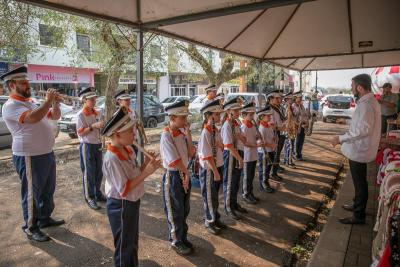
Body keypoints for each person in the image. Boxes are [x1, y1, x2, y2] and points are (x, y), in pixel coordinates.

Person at [1, 65, 65, 242]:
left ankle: (44, 218)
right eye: (23, 83)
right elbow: (34, 118)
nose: (28, 85)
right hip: (28, 155)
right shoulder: (10, 105)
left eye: (27, 82)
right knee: (32, 193)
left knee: (47, 190)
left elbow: (55, 116)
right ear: (12, 85)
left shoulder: (31, 102)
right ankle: (30, 226)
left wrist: (55, 103)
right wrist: (47, 101)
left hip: (46, 152)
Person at [102, 107, 161, 267]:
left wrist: (146, 165)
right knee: (124, 246)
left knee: (132, 241)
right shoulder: (112, 158)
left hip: (131, 202)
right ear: (117, 134)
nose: (134, 134)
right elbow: (124, 189)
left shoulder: (128, 149)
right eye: (130, 131)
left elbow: (134, 175)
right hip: (121, 206)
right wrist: (146, 173)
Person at [331, 74, 381, 225]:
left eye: (352, 86)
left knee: (360, 183)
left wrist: (339, 139)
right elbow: (359, 124)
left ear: (359, 87)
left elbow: (361, 130)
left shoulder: (366, 105)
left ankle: (359, 215)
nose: (351, 88)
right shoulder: (367, 102)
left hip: (360, 150)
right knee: (359, 181)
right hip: (360, 149)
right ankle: (356, 204)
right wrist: (347, 121)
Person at [160, 100, 195, 255]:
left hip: (184, 173)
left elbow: (190, 153)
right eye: (183, 118)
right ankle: (176, 240)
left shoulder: (180, 134)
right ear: (173, 118)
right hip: (174, 176)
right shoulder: (166, 135)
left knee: (184, 209)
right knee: (175, 210)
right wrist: (186, 174)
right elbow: (175, 161)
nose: (186, 121)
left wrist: (188, 136)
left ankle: (182, 237)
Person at [198, 99, 227, 235]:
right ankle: (209, 221)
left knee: (215, 195)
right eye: (217, 114)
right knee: (210, 196)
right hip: (210, 169)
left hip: (218, 165)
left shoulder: (215, 130)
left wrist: (220, 144)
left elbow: (220, 145)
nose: (220, 116)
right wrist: (215, 172)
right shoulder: (206, 133)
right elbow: (207, 156)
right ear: (210, 116)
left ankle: (215, 217)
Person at [76, 87, 105, 210]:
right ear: (84, 100)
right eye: (91, 99)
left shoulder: (97, 112)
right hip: (87, 146)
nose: (94, 101)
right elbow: (80, 132)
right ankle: (89, 197)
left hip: (97, 144)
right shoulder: (81, 114)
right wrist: (93, 126)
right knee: (89, 173)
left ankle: (97, 193)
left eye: (94, 99)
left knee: (99, 171)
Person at [221, 97, 246, 220]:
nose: (238, 112)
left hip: (238, 153)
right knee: (229, 182)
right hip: (231, 155)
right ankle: (228, 207)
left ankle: (234, 203)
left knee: (236, 182)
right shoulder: (226, 125)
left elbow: (244, 139)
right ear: (229, 111)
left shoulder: (236, 124)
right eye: (236, 110)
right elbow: (229, 146)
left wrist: (239, 136)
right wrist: (240, 159)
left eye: (238, 110)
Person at [241, 102, 262, 204]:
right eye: (250, 114)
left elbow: (255, 136)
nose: (252, 116)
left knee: (252, 175)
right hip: (247, 155)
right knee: (247, 176)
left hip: (253, 154)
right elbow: (244, 143)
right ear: (244, 115)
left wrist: (258, 137)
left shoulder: (252, 125)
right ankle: (246, 194)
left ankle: (250, 192)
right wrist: (256, 145)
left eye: (253, 114)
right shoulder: (243, 127)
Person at [257, 106, 277, 193]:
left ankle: (266, 182)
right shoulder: (261, 128)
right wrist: (271, 144)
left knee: (268, 169)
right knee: (264, 169)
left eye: (269, 115)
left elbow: (271, 137)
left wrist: (274, 141)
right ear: (262, 117)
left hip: (270, 150)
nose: (269, 117)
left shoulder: (268, 126)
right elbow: (262, 142)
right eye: (267, 116)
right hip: (264, 151)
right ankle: (263, 184)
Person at [269, 90, 286, 176]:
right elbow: (271, 126)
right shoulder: (270, 110)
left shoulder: (277, 108)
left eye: (279, 98)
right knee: (275, 154)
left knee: (278, 153)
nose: (279, 100)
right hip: (274, 134)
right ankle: (273, 173)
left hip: (280, 133)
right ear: (271, 99)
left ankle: (275, 170)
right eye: (277, 98)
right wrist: (281, 128)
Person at [292, 92, 308, 161]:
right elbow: (294, 116)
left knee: (301, 140)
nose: (300, 99)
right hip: (296, 126)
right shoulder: (293, 106)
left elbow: (304, 115)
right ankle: (295, 154)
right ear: (295, 98)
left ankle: (299, 154)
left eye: (301, 98)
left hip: (303, 126)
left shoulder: (301, 105)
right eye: (299, 97)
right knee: (297, 141)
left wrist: (306, 122)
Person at [282, 92, 297, 167]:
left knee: (288, 145)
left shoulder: (290, 106)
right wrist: (286, 128)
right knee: (290, 145)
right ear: (287, 99)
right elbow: (285, 119)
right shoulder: (286, 107)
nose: (292, 99)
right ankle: (288, 161)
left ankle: (286, 160)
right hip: (288, 129)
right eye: (290, 98)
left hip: (291, 128)